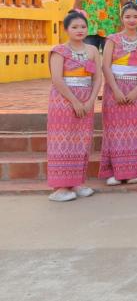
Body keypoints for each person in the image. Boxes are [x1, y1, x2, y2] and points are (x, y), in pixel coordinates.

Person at [47, 11, 101, 202]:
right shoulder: (59, 50)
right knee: (63, 140)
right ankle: (61, 187)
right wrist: (75, 102)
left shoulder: (92, 51)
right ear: (66, 30)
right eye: (75, 27)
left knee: (82, 140)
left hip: (86, 100)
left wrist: (90, 100)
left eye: (83, 27)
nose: (80, 30)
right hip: (64, 100)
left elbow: (97, 77)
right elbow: (57, 79)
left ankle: (78, 182)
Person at [99, 3, 137, 186]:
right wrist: (115, 90)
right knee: (114, 131)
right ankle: (114, 172)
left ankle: (132, 172)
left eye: (135, 17)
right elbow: (105, 66)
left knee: (134, 131)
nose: (131, 20)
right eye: (128, 16)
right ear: (122, 18)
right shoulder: (112, 39)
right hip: (114, 88)